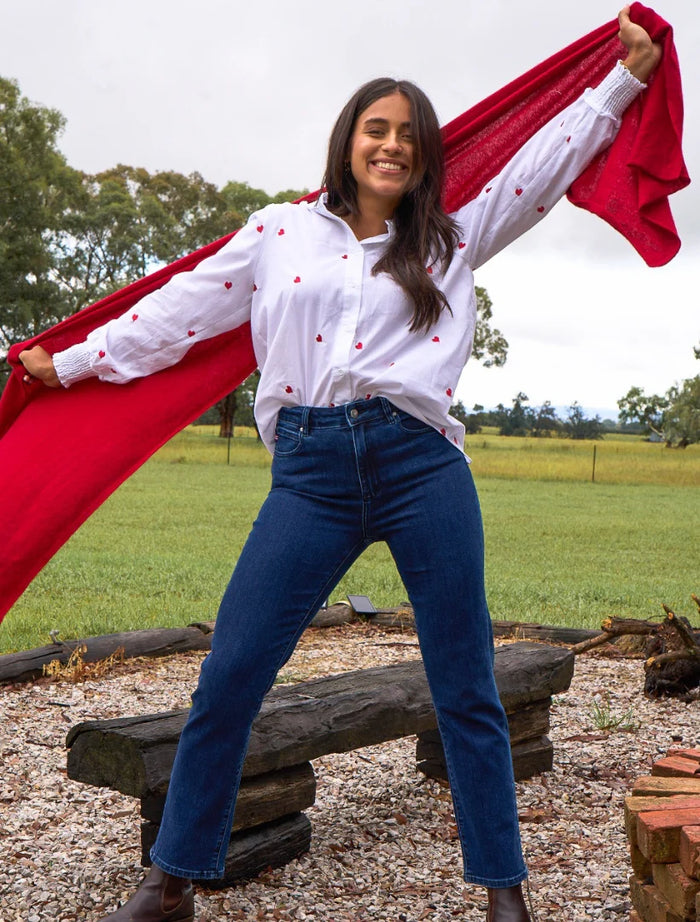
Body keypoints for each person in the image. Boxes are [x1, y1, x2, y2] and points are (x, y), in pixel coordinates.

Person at [19, 9, 660, 921]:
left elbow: (540, 169)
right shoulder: (279, 232)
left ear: (425, 155)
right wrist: (77, 360)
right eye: (376, 129)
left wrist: (623, 81)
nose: (391, 145)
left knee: (465, 683)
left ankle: (504, 893)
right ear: (348, 142)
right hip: (311, 474)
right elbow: (179, 314)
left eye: (408, 135)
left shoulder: (450, 237)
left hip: (421, 466)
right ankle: (170, 883)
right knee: (232, 672)